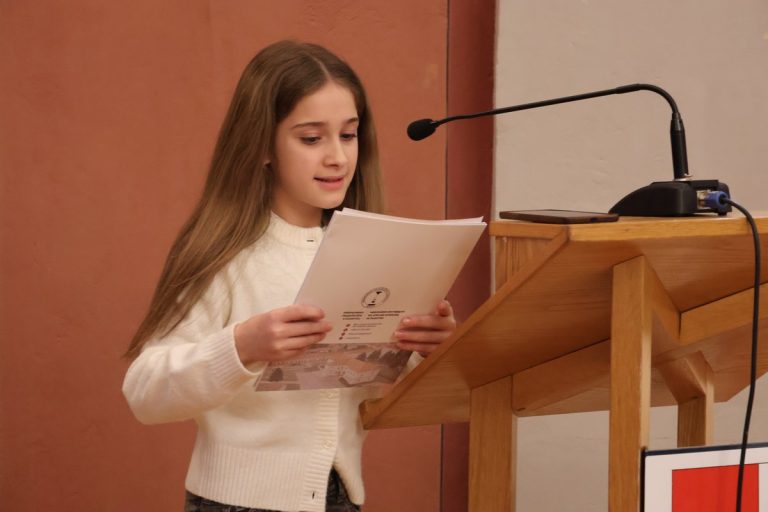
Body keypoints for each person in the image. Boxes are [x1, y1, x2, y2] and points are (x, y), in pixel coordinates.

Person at [122, 40, 456, 512]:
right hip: (237, 503)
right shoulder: (225, 253)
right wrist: (241, 347)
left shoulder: (377, 255)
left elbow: (395, 387)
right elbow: (145, 393)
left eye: (349, 135)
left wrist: (430, 350)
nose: (337, 157)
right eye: (311, 138)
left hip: (342, 497)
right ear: (263, 145)